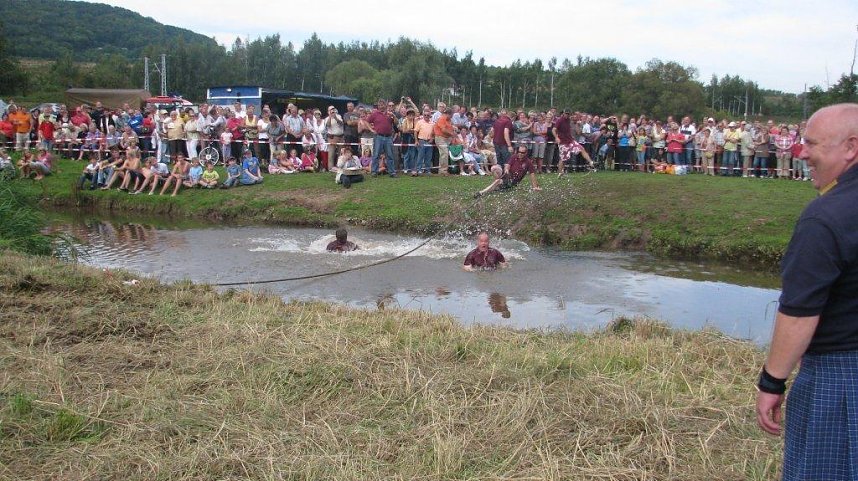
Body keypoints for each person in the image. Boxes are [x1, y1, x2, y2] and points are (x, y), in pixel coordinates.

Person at [756, 104, 858, 481]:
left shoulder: (826, 217)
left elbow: (799, 311)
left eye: (811, 143)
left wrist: (772, 381)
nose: (802, 153)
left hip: (840, 375)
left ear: (850, 147)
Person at [474, 145, 542, 197]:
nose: (520, 154)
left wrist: (535, 187)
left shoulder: (528, 162)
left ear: (526, 153)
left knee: (498, 181)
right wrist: (506, 169)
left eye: (522, 152)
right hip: (506, 175)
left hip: (513, 180)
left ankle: (482, 192)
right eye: (519, 152)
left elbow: (532, 175)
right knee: (494, 169)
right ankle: (498, 186)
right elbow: (508, 165)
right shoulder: (514, 156)